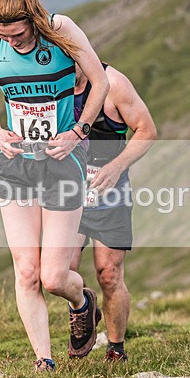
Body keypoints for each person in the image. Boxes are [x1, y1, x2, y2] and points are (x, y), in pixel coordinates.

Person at [0, 0, 110, 372]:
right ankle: (44, 360)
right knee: (27, 271)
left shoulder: (61, 29)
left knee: (54, 277)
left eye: (17, 35)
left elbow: (100, 81)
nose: (11, 42)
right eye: (5, 36)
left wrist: (78, 132)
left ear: (33, 20)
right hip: (17, 164)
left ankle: (82, 302)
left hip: (62, 163)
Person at [69, 62, 157, 362]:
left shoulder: (114, 84)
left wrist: (116, 166)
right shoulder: (53, 83)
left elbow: (147, 130)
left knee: (109, 275)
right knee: (61, 270)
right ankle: (83, 306)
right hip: (69, 193)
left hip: (110, 195)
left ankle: (115, 350)